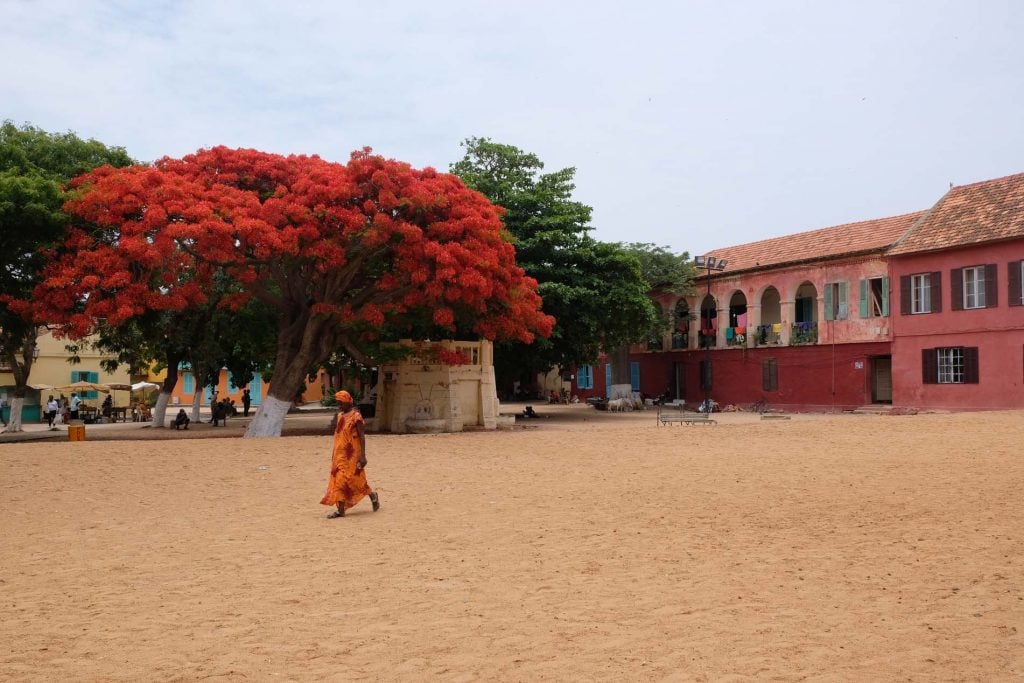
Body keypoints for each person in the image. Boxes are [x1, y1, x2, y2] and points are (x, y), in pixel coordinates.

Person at [321, 390, 379, 518]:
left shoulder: (356, 416)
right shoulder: (340, 416)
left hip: (352, 454)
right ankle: (341, 510)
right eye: (338, 403)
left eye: (341, 403)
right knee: (339, 479)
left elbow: (362, 437)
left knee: (356, 480)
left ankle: (372, 494)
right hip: (339, 454)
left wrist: (363, 456)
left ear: (348, 402)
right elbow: (339, 434)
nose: (339, 406)